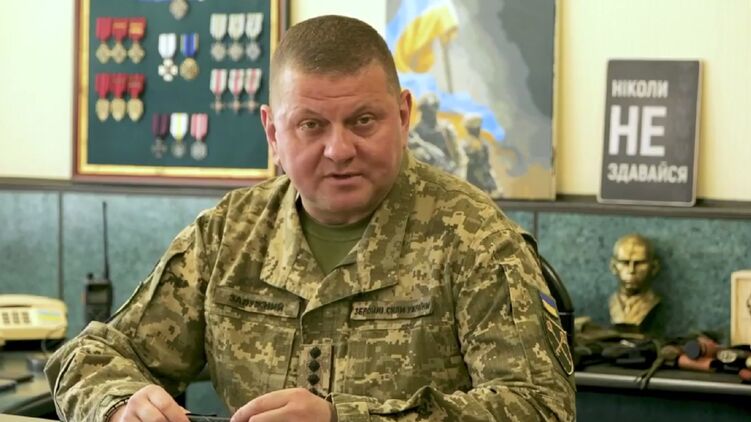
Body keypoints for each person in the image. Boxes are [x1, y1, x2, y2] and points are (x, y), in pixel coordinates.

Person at [45, 15, 575, 422]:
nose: (339, 150)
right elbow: (92, 355)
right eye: (311, 125)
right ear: (273, 133)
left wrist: (345, 419)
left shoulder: (475, 238)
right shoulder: (231, 234)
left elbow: (541, 407)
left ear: (403, 116)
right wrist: (120, 404)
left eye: (363, 121)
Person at [608, 233, 661, 328]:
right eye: (624, 263)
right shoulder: (609, 303)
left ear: (654, 268)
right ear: (613, 267)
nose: (631, 270)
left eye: (639, 263)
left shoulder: (655, 304)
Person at [412, 93, 467, 178]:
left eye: (432, 109)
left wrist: (459, 171)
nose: (429, 113)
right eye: (425, 110)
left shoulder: (445, 128)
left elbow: (456, 152)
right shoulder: (416, 131)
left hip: (449, 171)